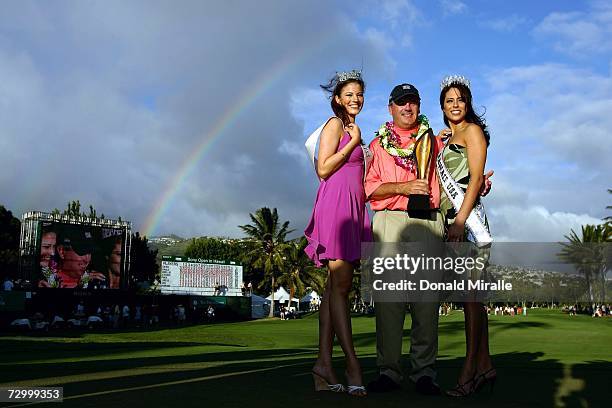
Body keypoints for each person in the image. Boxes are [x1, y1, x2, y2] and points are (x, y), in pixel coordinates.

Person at [365, 83, 492, 396]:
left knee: (426, 302)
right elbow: (369, 189)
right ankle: (390, 372)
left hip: (430, 221)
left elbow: (462, 171)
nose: (407, 108)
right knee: (389, 302)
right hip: (391, 222)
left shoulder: (435, 140)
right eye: (401, 104)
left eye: (412, 103)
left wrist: (479, 187)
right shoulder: (378, 145)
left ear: (419, 107)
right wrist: (403, 188)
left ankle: (425, 373)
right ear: (390, 108)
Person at [304, 69, 371, 397]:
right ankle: (352, 364)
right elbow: (323, 168)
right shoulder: (335, 125)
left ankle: (323, 366)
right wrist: (353, 144)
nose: (355, 99)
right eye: (349, 94)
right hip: (337, 209)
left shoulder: (354, 128)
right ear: (337, 99)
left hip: (354, 209)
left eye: (359, 94)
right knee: (342, 287)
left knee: (334, 289)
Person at [437, 75, 495, 397]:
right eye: (449, 100)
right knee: (472, 301)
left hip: (468, 224)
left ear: (468, 103)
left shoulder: (472, 132)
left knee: (472, 301)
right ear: (443, 106)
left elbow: (473, 181)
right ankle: (485, 366)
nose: (455, 104)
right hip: (452, 224)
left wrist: (460, 221)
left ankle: (469, 371)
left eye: (460, 99)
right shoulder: (444, 138)